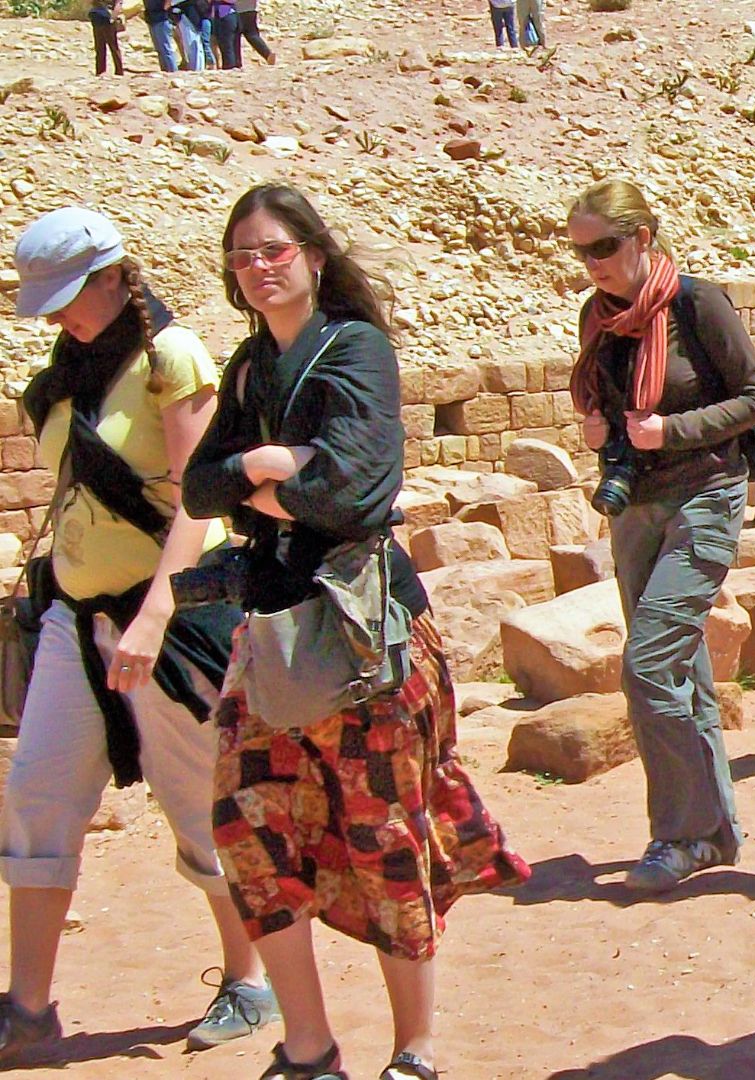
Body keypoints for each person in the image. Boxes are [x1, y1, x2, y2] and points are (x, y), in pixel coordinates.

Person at [182, 184, 527, 1080]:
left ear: (314, 256)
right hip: (275, 633)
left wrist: (260, 481)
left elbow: (355, 493)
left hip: (365, 636)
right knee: (245, 826)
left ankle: (414, 1050)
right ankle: (308, 1047)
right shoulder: (249, 368)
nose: (259, 267)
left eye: (274, 250)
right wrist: (269, 464)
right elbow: (198, 487)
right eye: (243, 253)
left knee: (384, 834)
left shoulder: (356, 350)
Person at [0, 208, 277, 1065]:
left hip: (175, 620)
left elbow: (199, 500)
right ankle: (28, 1005)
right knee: (39, 792)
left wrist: (156, 614)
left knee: (197, 800)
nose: (58, 318)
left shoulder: (173, 358)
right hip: (75, 618)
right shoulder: (61, 380)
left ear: (118, 276)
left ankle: (248, 980)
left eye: (69, 297)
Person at [566, 179, 755, 897]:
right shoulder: (598, 317)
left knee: (648, 664)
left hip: (705, 494)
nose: (592, 261)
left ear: (643, 239)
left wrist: (671, 431)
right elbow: (605, 399)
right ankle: (715, 834)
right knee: (681, 670)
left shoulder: (696, 303)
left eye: (605, 246)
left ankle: (680, 834)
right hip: (636, 507)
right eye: (581, 250)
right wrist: (600, 427)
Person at [229, 0, 274, 67]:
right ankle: (267, 53)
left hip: (237, 11)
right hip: (251, 10)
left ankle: (236, 63)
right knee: (252, 34)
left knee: (235, 38)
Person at [87, 0, 125, 75]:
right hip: (107, 17)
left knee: (99, 46)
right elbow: (118, 4)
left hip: (97, 17)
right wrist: (113, 18)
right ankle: (119, 71)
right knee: (113, 46)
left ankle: (100, 71)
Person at [142, 0, 177, 73]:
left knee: (165, 48)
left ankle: (172, 70)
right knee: (159, 48)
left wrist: (165, 7)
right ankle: (164, 70)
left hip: (161, 18)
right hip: (151, 18)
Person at [211, 0, 237, 68]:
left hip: (227, 14)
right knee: (220, 44)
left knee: (227, 44)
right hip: (217, 16)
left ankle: (229, 66)